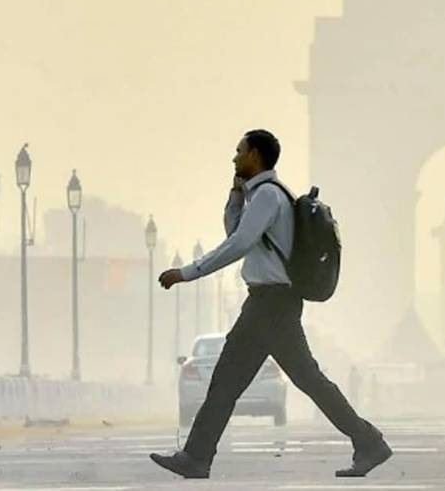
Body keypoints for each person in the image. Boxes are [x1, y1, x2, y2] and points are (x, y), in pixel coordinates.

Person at [150, 129, 391, 479]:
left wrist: (188, 273)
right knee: (245, 381)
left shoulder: (266, 196)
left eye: (239, 151)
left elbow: (238, 244)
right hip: (270, 303)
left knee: (252, 381)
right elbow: (237, 231)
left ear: (255, 155)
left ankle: (197, 457)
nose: (234, 158)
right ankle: (197, 457)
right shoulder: (267, 195)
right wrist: (234, 196)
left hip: (271, 305)